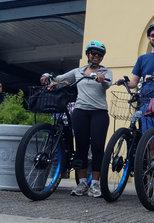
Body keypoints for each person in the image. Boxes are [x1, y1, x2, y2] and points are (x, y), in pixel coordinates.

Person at [41, 41, 113, 198]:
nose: (96, 56)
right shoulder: (78, 71)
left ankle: (95, 183)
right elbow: (59, 78)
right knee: (80, 146)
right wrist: (47, 76)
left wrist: (101, 79)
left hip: (99, 112)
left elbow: (107, 84)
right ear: (88, 54)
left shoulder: (106, 72)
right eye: (93, 53)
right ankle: (82, 183)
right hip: (80, 111)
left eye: (99, 54)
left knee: (97, 147)